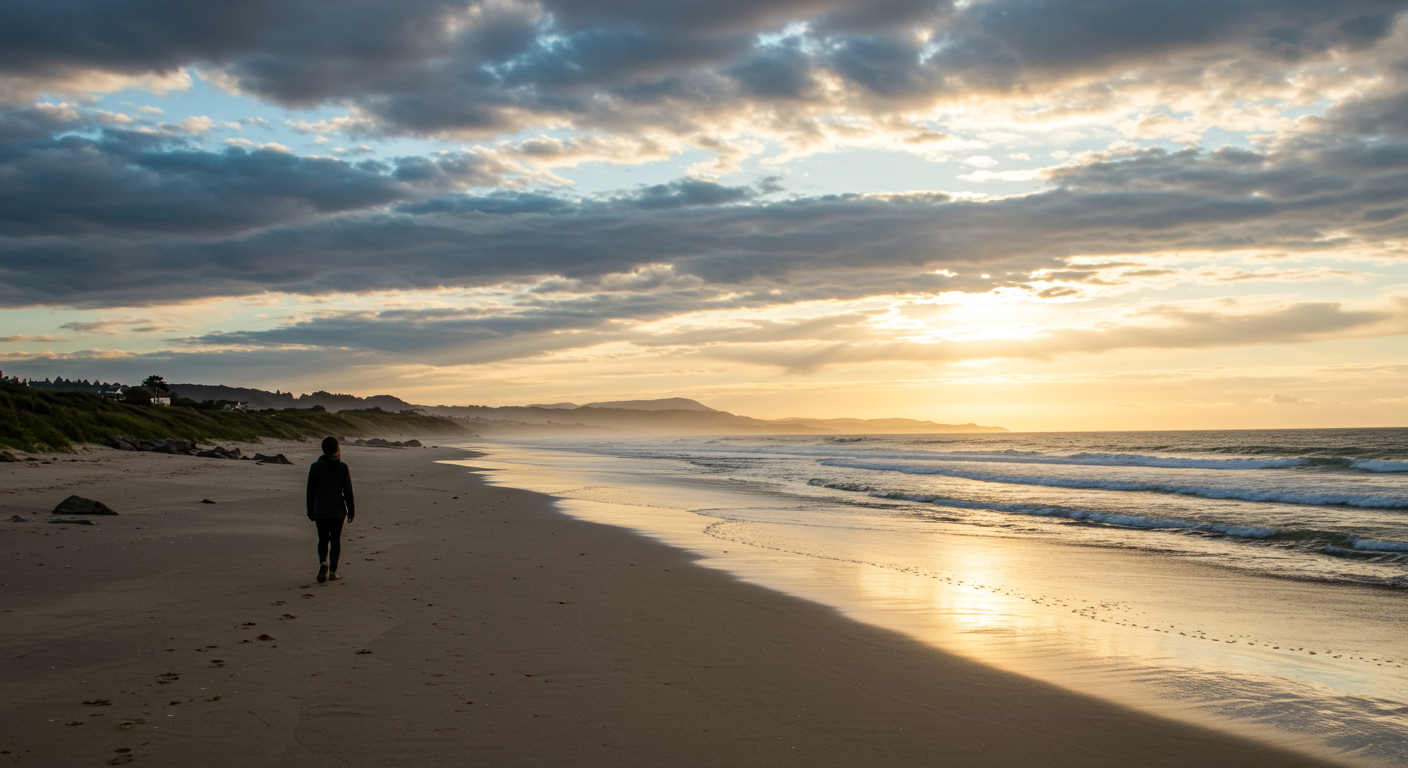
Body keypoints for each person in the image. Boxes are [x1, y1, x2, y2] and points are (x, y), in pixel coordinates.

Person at [306, 436, 355, 583]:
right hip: (337, 510)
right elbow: (347, 491)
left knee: (322, 539)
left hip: (320, 509)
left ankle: (323, 562)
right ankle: (333, 572)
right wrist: (351, 510)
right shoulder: (342, 467)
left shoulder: (315, 467)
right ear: (337, 449)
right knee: (335, 541)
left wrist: (310, 510)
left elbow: (311, 491)